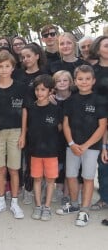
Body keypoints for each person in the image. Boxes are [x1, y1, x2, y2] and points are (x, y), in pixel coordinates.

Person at [56, 65, 107, 227]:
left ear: (93, 81)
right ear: (75, 81)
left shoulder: (100, 100)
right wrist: (71, 143)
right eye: (80, 79)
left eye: (87, 79)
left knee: (87, 178)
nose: (84, 82)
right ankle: (74, 204)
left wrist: (85, 146)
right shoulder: (70, 100)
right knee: (70, 175)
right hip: (72, 146)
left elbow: (102, 127)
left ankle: (84, 210)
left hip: (90, 148)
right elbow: (66, 124)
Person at [0, 51, 26, 219]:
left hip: (15, 132)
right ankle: (0, 201)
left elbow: (24, 111)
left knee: (14, 169)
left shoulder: (20, 87)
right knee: (0, 169)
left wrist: (23, 133)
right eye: (0, 66)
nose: (4, 69)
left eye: (7, 66)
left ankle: (15, 203)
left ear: (12, 68)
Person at [21, 74, 62, 221]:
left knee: (50, 181)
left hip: (51, 152)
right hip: (35, 152)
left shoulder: (56, 109)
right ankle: (38, 206)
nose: (39, 92)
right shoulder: (30, 108)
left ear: (51, 91)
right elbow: (25, 129)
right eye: (37, 89)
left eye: (43, 89)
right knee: (37, 179)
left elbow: (60, 128)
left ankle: (47, 207)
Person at [13, 42, 47, 205]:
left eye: (28, 56)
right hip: (19, 120)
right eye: (23, 57)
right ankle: (25, 188)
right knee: (22, 158)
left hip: (40, 122)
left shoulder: (45, 74)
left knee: (38, 156)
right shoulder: (18, 74)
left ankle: (37, 188)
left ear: (37, 56)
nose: (25, 59)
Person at [88, 36, 108, 212]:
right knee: (104, 162)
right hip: (99, 121)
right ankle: (104, 198)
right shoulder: (92, 72)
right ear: (98, 49)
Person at [52, 70, 74, 205]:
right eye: (58, 81)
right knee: (56, 165)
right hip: (55, 138)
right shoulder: (51, 98)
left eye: (65, 80)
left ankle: (66, 193)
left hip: (71, 137)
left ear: (71, 82)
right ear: (54, 84)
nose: (62, 83)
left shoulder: (75, 98)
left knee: (68, 166)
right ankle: (57, 189)